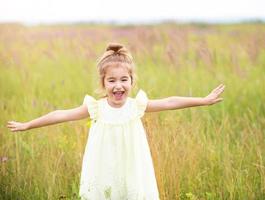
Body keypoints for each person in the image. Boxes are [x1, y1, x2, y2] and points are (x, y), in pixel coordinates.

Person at [7, 43, 225, 200]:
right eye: (111, 80)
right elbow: (60, 114)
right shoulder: (96, 108)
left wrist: (203, 100)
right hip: (103, 169)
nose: (118, 85)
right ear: (103, 83)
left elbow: (170, 101)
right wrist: (28, 124)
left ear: (132, 81)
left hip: (132, 169)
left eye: (124, 80)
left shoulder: (136, 106)